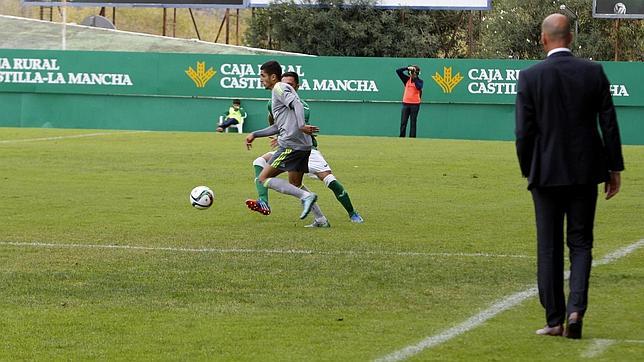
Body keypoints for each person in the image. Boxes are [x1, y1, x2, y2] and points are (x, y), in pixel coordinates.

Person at [515, 13, 624, 339]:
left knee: (548, 247)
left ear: (544, 39)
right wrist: (613, 167)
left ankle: (554, 320)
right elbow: (609, 123)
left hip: (545, 173)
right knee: (580, 243)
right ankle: (576, 311)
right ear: (571, 38)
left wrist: (528, 169)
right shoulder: (593, 72)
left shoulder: (530, 77)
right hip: (585, 171)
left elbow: (523, 132)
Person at [246, 71, 365, 226]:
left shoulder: (302, 105)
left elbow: (296, 121)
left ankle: (352, 213)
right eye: (284, 83)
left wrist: (293, 129)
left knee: (329, 180)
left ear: (297, 86)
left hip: (305, 149)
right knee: (262, 163)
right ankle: (319, 219)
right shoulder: (273, 101)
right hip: (289, 146)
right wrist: (273, 134)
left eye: (290, 84)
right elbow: (277, 122)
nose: (286, 87)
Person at [245, 60, 319, 220]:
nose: (260, 79)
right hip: (302, 146)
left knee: (263, 178)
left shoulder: (279, 87)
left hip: (291, 146)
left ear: (273, 77)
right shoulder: (277, 93)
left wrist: (301, 125)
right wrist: (255, 134)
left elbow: (297, 104)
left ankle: (305, 197)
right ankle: (321, 219)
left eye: (263, 75)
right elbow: (278, 127)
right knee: (296, 184)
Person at [396, 65, 423, 138]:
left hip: (415, 105)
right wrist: (407, 68)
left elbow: (418, 87)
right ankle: (402, 137)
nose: (410, 73)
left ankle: (412, 138)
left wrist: (415, 77)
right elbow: (398, 71)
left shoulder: (420, 81)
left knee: (413, 123)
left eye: (413, 72)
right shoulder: (407, 80)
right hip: (406, 104)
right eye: (411, 72)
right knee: (403, 122)